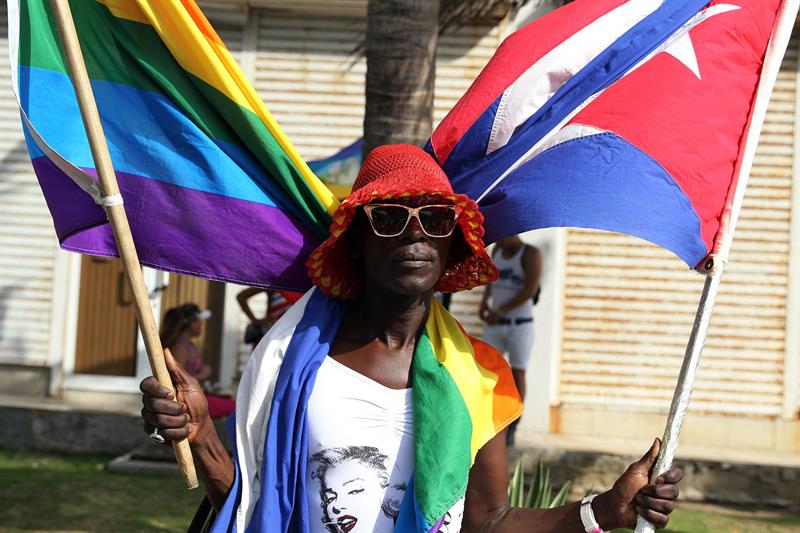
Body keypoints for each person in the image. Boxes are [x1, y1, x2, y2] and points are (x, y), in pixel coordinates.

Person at [141, 145, 682, 533]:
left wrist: (606, 512)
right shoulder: (290, 359)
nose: (416, 232)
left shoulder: (480, 374)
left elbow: (488, 521)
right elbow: (251, 505)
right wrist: (200, 434)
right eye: (389, 217)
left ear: (452, 246)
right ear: (354, 243)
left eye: (435, 217)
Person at [479, 235, 541, 445]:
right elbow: (490, 279)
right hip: (496, 324)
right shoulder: (497, 249)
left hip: (519, 324)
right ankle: (487, 417)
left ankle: (514, 424)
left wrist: (502, 309)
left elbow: (529, 290)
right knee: (485, 369)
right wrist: (484, 303)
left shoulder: (530, 253)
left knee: (517, 372)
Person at [159, 303, 234, 419]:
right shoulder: (180, 347)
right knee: (233, 406)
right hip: (187, 400)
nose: (201, 324)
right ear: (190, 323)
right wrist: (202, 374)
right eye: (198, 321)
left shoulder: (187, 344)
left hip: (195, 395)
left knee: (230, 401)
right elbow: (177, 381)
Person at [237, 288, 302, 351]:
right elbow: (241, 296)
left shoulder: (304, 284)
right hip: (271, 336)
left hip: (292, 336)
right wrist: (255, 320)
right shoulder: (274, 283)